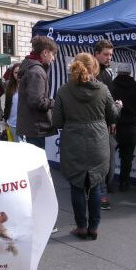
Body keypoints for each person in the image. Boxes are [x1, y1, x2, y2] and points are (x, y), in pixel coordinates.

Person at [52, 53, 119, 240]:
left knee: (77, 185)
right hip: (98, 140)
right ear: (94, 68)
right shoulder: (103, 89)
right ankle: (94, 227)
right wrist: (118, 106)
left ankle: (81, 226)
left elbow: (57, 121)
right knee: (96, 185)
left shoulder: (64, 90)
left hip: (74, 141)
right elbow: (113, 115)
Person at [109, 64, 136, 191]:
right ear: (130, 72)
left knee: (109, 157)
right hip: (131, 127)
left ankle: (108, 184)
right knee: (127, 158)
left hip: (113, 127)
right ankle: (124, 183)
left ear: (118, 72)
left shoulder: (111, 86)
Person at [17, 36, 58, 148]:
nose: (53, 59)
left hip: (31, 126)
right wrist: (53, 102)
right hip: (34, 128)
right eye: (53, 54)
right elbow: (36, 101)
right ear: (45, 52)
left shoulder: (31, 67)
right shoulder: (36, 71)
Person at [93, 39, 116, 209]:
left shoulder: (107, 73)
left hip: (105, 124)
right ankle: (100, 195)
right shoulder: (92, 74)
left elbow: (109, 102)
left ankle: (100, 192)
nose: (109, 58)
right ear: (96, 54)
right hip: (95, 125)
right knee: (100, 162)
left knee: (105, 161)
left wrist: (113, 119)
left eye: (110, 55)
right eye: (106, 54)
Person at [3, 63, 21, 142]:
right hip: (12, 123)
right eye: (16, 72)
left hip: (24, 124)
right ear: (13, 74)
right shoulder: (9, 86)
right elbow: (7, 104)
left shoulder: (28, 86)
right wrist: (6, 119)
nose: (18, 74)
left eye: (20, 72)